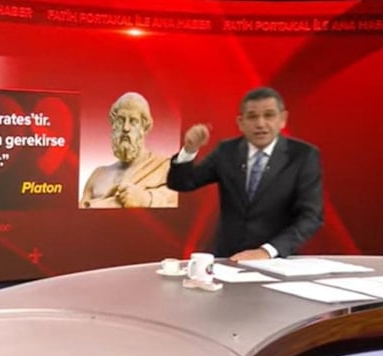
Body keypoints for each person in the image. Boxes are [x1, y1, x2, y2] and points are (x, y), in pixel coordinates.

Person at [166, 87, 323, 260]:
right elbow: (182, 183)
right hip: (229, 259)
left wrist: (267, 251)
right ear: (241, 122)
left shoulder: (303, 156)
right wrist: (189, 150)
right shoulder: (226, 151)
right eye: (252, 117)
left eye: (269, 115)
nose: (260, 123)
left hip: (277, 260)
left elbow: (311, 217)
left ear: (282, 119)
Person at [80, 92, 177, 208]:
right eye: (120, 120)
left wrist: (146, 199)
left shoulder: (165, 168)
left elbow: (176, 202)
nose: (125, 128)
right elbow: (80, 214)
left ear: (144, 128)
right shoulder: (97, 176)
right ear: (113, 125)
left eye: (133, 121)